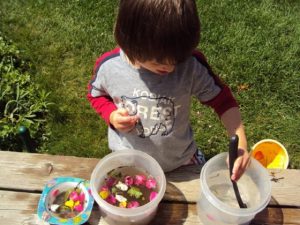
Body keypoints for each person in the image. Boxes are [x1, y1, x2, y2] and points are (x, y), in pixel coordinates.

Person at [87, 0, 249, 181]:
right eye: (158, 62)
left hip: (183, 159)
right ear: (127, 40)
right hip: (130, 161)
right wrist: (111, 115)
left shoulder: (191, 65)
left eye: (178, 60)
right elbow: (96, 95)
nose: (170, 68)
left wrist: (240, 139)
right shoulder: (110, 67)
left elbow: (223, 101)